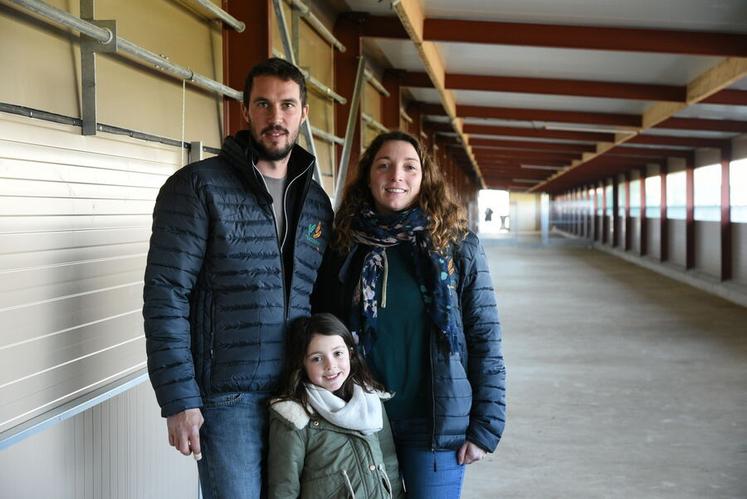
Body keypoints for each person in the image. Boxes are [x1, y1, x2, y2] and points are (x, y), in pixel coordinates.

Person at [142, 57, 333, 499]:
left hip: (296, 393)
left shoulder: (316, 203)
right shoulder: (198, 187)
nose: (275, 117)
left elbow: (321, 300)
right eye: (263, 104)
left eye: (287, 105)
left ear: (303, 114)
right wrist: (180, 399)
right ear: (245, 110)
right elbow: (165, 295)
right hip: (228, 400)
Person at [313, 130, 506, 498]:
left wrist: (486, 425)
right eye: (384, 165)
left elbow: (485, 336)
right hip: (360, 417)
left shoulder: (457, 246)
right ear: (369, 175)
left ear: (424, 177)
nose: (396, 176)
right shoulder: (343, 245)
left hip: (433, 422)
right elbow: (321, 328)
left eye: (409, 167)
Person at [267, 313, 404, 499]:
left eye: (338, 353)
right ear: (303, 363)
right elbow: (284, 488)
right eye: (317, 358)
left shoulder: (371, 401)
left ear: (350, 352)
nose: (330, 365)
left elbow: (389, 464)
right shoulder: (295, 417)